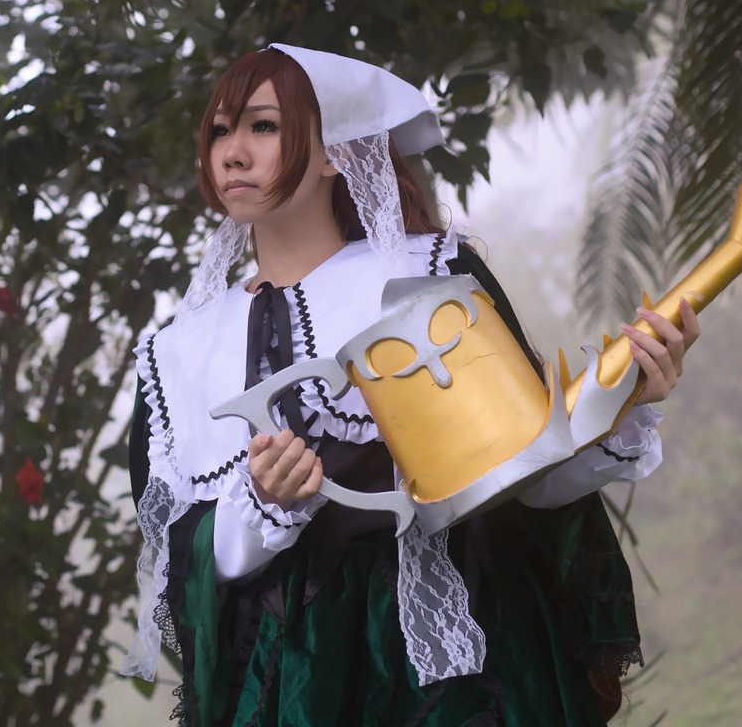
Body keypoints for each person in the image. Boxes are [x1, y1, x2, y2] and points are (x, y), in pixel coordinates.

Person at [121, 45, 699, 726]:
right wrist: (259, 509)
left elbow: (522, 480)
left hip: (449, 677)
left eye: (263, 126)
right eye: (220, 130)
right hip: (287, 691)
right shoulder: (177, 352)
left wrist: (618, 409)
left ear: (335, 150)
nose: (233, 152)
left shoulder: (428, 278)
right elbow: (183, 561)